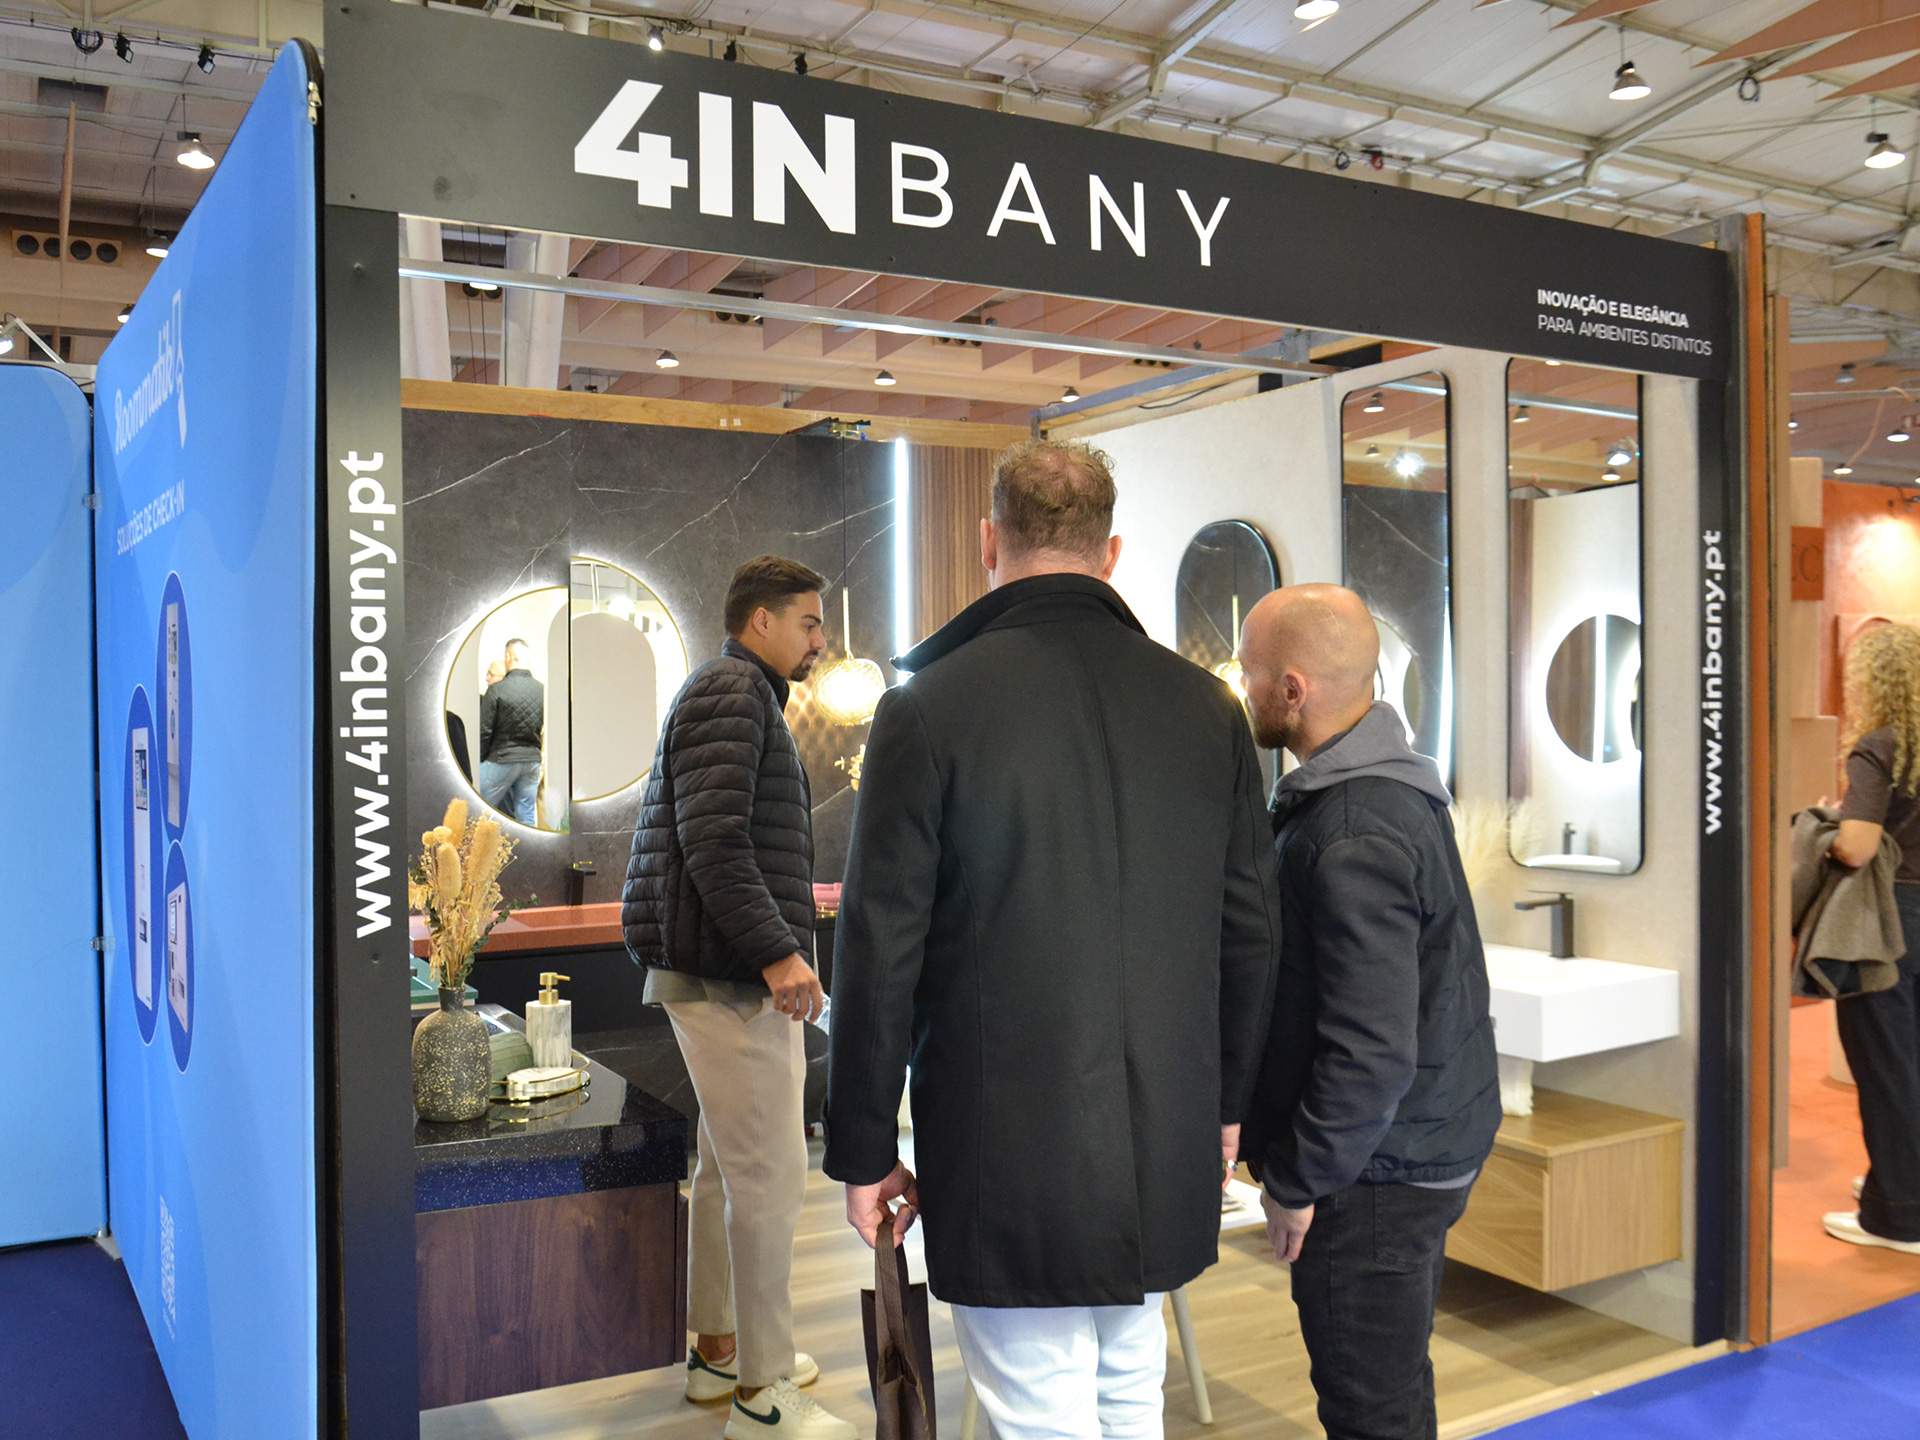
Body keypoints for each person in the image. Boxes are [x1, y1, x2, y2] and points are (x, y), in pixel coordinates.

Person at [824, 439, 1280, 1440]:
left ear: (989, 542)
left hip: (1005, 1144)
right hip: (1164, 1131)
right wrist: (1229, 1108)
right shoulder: (1207, 708)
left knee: (1040, 1413)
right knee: (1130, 1392)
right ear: (1110, 552)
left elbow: (879, 950)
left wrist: (863, 1145)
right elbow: (1251, 933)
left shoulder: (928, 708)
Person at [1237, 583, 1500, 1440]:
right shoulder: (1386, 791)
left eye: (1248, 672)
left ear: (1292, 689)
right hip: (1411, 1146)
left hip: (1375, 1173)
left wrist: (1299, 1180)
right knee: (1391, 1386)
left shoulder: (1352, 828)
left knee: (1369, 1407)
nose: (1242, 687)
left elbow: (1370, 1049)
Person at [619, 555, 851, 1440]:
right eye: (809, 622)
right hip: (730, 977)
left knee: (728, 1170)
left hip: (719, 971)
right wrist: (779, 954)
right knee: (770, 1178)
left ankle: (720, 1351)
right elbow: (714, 841)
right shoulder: (732, 691)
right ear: (761, 620)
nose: (819, 640)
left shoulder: (740, 693)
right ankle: (764, 1392)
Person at [1824, 621, 1920, 1256]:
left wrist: (1829, 830)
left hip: (1890, 921)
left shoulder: (1881, 747)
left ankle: (1899, 1218)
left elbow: (1857, 847)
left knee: (1886, 1064)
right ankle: (1897, 1187)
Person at [477, 638, 544, 827]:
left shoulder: (496, 690)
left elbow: (484, 731)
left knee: (478, 807)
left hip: (502, 758)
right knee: (526, 816)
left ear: (508, 656)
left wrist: (481, 759)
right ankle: (530, 847)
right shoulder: (542, 690)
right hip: (531, 761)